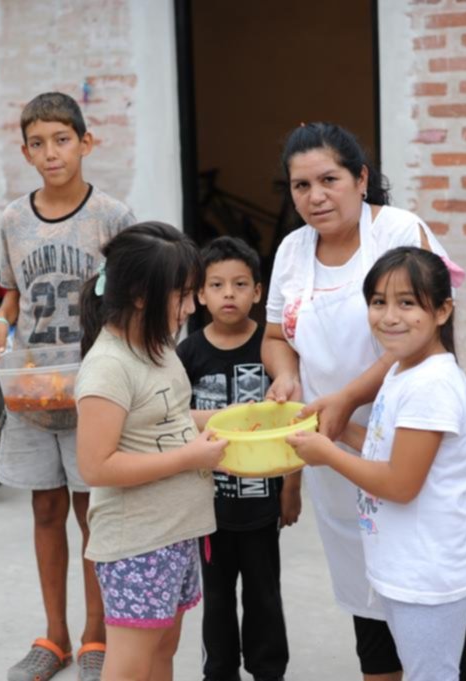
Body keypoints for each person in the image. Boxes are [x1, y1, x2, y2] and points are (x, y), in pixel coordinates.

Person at [262, 122, 466, 681]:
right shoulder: (293, 251)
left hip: (407, 436)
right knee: (367, 587)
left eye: (329, 179)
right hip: (333, 444)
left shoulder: (397, 230)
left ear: (361, 178)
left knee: (432, 592)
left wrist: (346, 397)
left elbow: (414, 336)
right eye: (300, 186)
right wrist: (287, 378)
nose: (316, 196)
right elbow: (276, 337)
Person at [288, 246, 466, 681]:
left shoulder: (431, 386)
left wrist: (326, 455)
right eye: (378, 302)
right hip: (411, 566)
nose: (389, 316)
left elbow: (402, 483)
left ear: (442, 311)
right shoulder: (404, 372)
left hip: (430, 575)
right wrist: (339, 427)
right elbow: (391, 450)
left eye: (407, 302)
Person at [0, 91, 136, 681]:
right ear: (24, 152)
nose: (51, 153)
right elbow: (13, 292)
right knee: (45, 509)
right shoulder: (12, 219)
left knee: (92, 512)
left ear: (86, 143)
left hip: (93, 391)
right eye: (38, 144)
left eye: (62, 140)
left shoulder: (113, 216)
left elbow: (127, 299)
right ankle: (56, 637)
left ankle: (97, 638)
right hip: (30, 391)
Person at [74, 222, 228, 681]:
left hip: (175, 531)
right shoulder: (108, 367)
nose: (193, 305)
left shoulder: (158, 346)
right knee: (130, 665)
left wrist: (238, 418)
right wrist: (190, 458)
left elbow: (173, 418)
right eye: (182, 294)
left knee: (163, 649)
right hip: (137, 543)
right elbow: (95, 466)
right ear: (141, 293)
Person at [176, 236, 299, 681]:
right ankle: (220, 672)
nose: (229, 294)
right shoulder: (187, 354)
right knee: (218, 597)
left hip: (263, 505)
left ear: (259, 292)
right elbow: (170, 419)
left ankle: (269, 671)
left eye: (241, 284)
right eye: (217, 285)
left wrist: (292, 489)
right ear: (200, 295)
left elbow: (293, 426)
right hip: (208, 508)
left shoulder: (271, 351)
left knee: (265, 594)